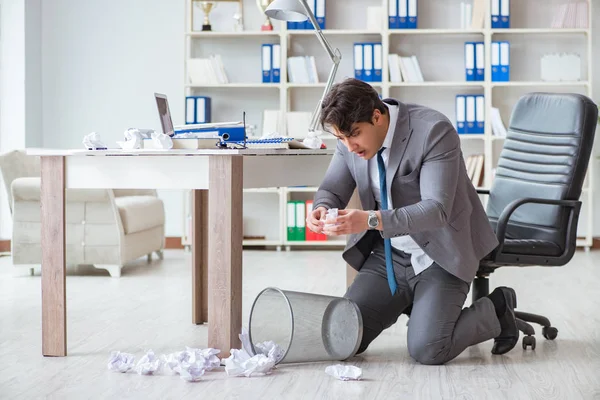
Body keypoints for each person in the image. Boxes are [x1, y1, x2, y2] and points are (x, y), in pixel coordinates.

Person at [307, 78, 519, 365]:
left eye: (354, 135)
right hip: (390, 256)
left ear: (377, 116)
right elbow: (332, 189)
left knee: (429, 350)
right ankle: (419, 306)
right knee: (342, 338)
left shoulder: (433, 130)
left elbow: (436, 210)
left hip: (440, 253)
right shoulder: (348, 142)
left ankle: (496, 309)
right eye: (341, 139)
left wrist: (370, 219)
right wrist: (321, 208)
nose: (348, 145)